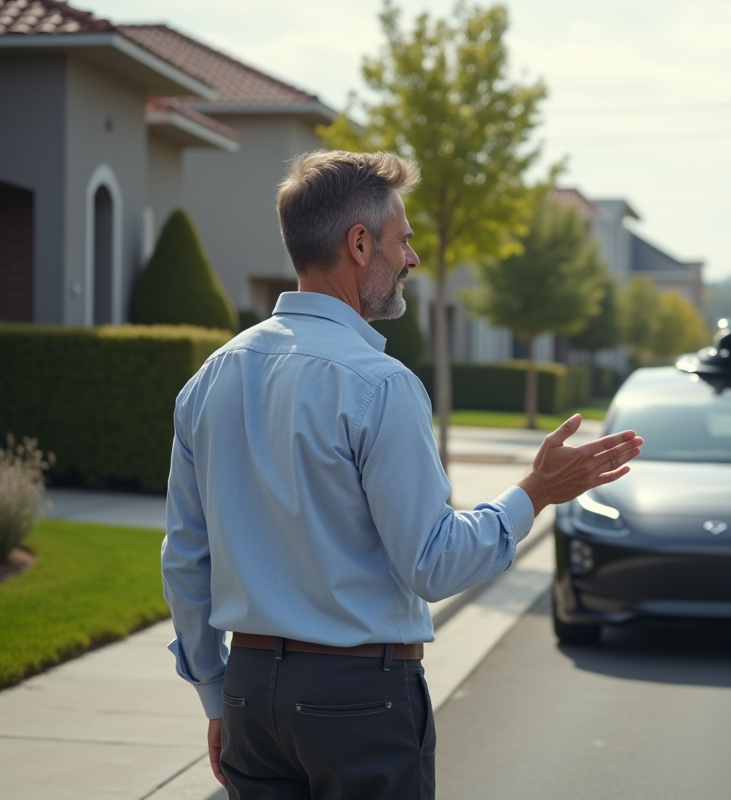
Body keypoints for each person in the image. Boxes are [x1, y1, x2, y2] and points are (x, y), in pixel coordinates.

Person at [161, 150, 643, 799]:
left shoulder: (209, 380)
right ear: (360, 244)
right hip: (359, 701)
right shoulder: (380, 386)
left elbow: (185, 559)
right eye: (404, 240)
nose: (412, 258)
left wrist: (217, 694)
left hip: (248, 695)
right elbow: (434, 563)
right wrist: (535, 493)